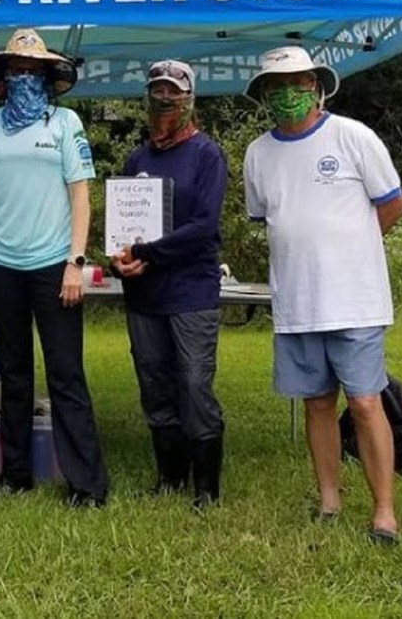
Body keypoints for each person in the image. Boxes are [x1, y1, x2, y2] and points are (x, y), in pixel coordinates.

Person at [243, 46, 402, 544]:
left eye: (298, 83)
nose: (289, 93)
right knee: (317, 403)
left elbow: (393, 205)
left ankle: (384, 513)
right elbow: (264, 217)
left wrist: (350, 250)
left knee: (363, 403)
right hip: (295, 301)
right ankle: (329, 501)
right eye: (277, 86)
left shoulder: (353, 136)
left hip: (355, 298)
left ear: (317, 85)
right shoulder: (258, 152)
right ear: (264, 95)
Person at [0, 28, 108, 507]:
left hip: (54, 266)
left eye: (33, 71)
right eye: (17, 71)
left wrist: (76, 262)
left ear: (47, 76)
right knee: (13, 370)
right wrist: (2, 226)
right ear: (4, 77)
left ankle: (86, 485)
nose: (24, 78)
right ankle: (14, 473)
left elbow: (80, 195)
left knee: (66, 373)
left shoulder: (65, 123)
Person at [111, 60, 228, 510]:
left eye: (173, 92)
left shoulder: (206, 154)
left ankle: (206, 489)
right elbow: (122, 231)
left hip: (191, 292)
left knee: (195, 383)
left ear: (189, 99)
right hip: (144, 294)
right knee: (154, 383)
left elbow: (204, 226)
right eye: (156, 92)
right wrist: (121, 258)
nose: (164, 100)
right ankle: (170, 478)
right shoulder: (137, 158)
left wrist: (147, 253)